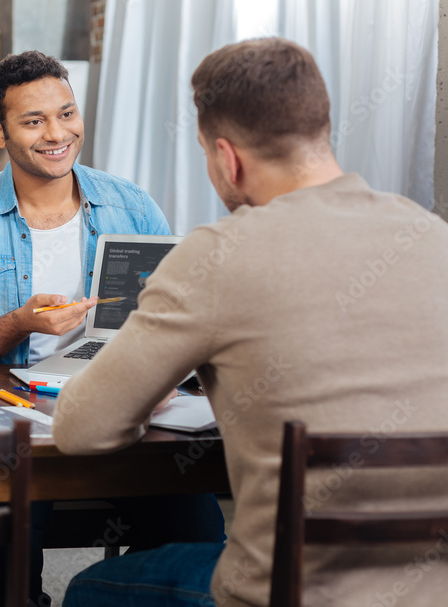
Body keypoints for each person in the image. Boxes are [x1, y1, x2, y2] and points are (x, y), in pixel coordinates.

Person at [53, 37, 448, 606]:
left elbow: (81, 428)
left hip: (289, 591)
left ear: (227, 157)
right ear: (320, 129)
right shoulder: (431, 234)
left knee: (92, 589)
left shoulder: (218, 255)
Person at [0, 50, 224, 606]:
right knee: (10, 562)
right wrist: (19, 323)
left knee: (200, 535)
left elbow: (174, 317)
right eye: (33, 121)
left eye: (66, 114)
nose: (57, 134)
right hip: (14, 420)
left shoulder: (132, 207)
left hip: (124, 409)